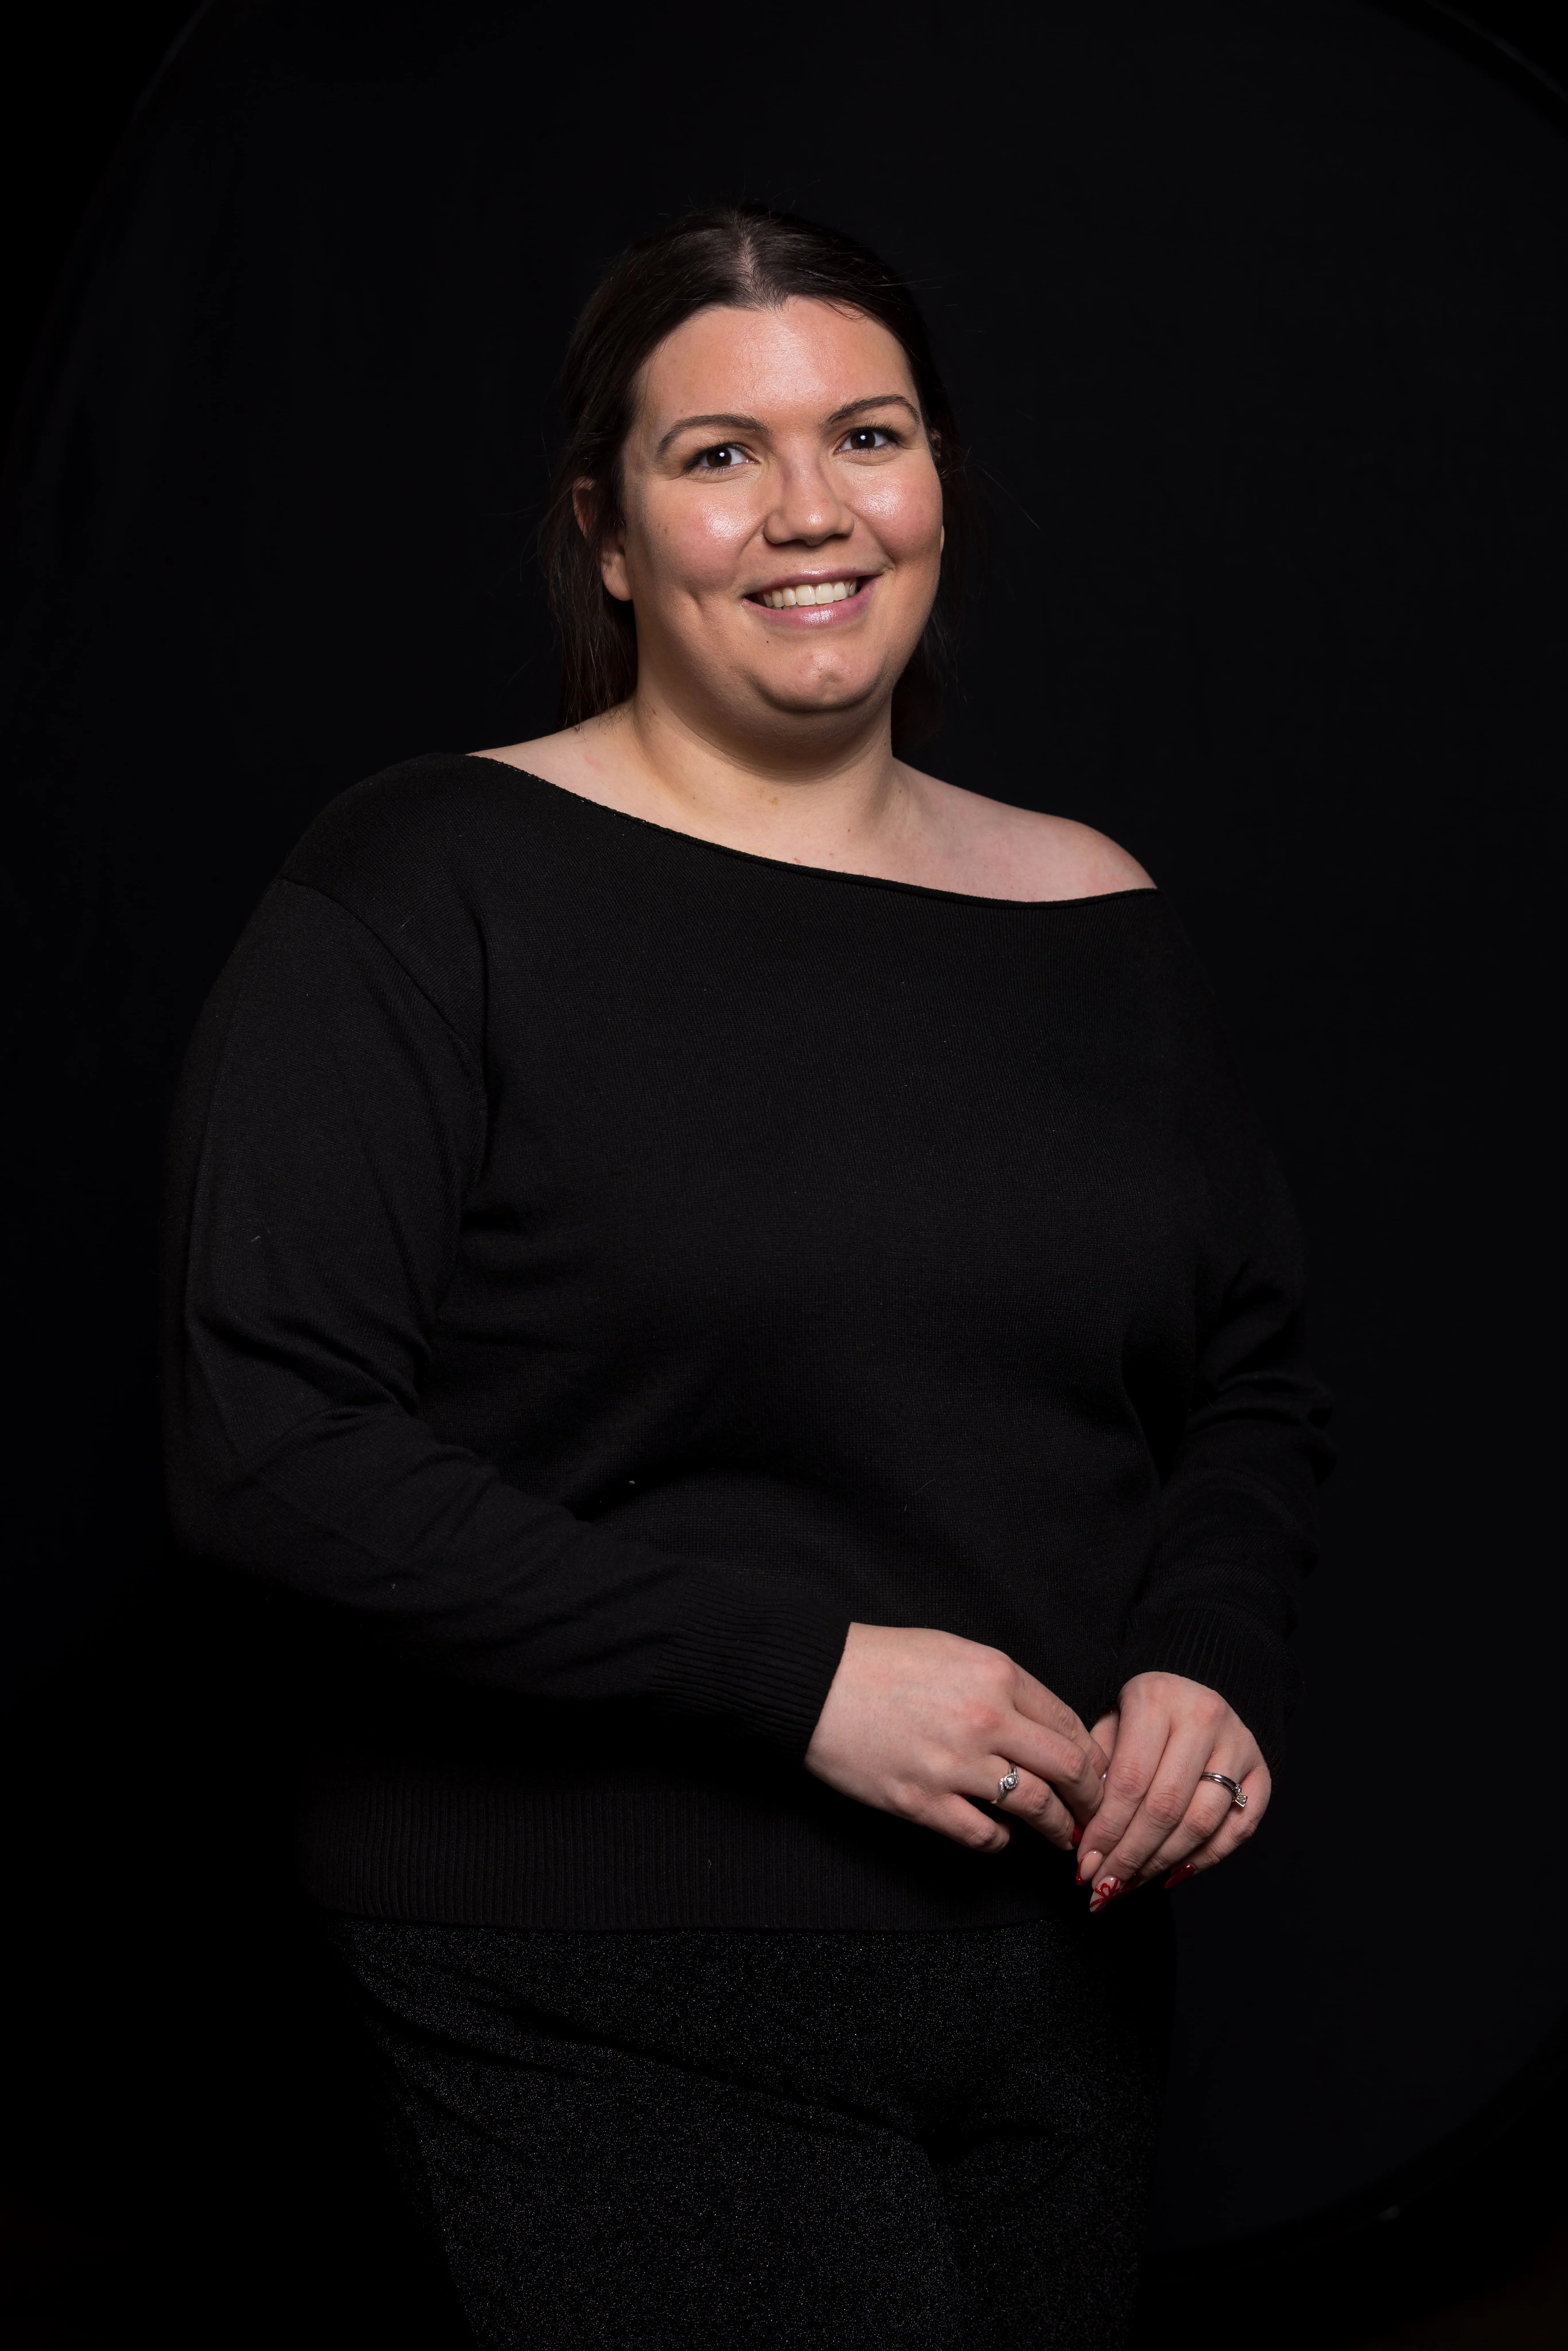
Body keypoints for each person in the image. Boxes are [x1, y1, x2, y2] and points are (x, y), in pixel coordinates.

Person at [163, 205, 1332, 2350]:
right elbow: (270, 1444)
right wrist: (797, 1674)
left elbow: (1248, 1378)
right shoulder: (432, 884)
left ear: (938, 478)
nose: (811, 510)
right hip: (595, 1960)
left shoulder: (1094, 911)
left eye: (866, 435)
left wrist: (1205, 1654)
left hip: (1052, 1965)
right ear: (606, 538)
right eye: (719, 454)